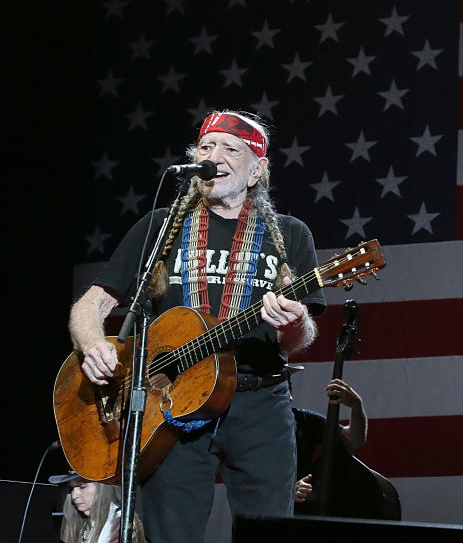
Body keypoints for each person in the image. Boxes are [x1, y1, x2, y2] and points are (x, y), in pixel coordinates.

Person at [68, 110, 325, 543]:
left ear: (257, 169)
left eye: (231, 148)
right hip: (170, 403)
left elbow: (296, 340)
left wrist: (296, 321)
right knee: (171, 534)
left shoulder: (289, 233)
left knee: (269, 532)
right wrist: (94, 345)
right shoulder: (162, 226)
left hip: (258, 400)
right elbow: (89, 306)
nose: (214, 155)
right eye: (206, 147)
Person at [293, 377, 368, 504]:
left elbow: (353, 439)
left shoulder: (302, 419)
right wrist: (286, 491)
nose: (288, 384)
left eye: (288, 378)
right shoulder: (251, 426)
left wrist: (356, 406)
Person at [50, 471, 146, 543]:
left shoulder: (118, 522)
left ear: (102, 488)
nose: (74, 496)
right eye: (71, 488)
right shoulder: (84, 524)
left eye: (82, 487)